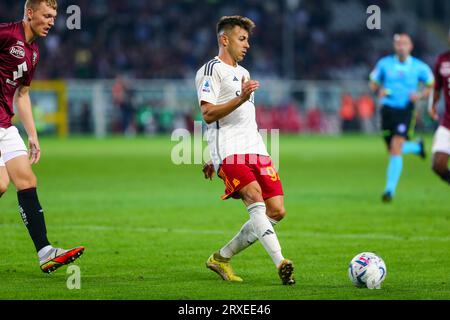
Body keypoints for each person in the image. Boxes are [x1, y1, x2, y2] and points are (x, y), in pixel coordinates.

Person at [195, 16, 295, 285]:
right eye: (242, 39)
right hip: (229, 151)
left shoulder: (244, 74)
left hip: (256, 148)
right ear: (224, 40)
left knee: (277, 210)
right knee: (254, 197)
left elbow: (243, 116)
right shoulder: (210, 70)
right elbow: (207, 113)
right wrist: (215, 156)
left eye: (248, 39)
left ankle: (221, 257)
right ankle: (281, 263)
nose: (247, 44)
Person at [0, 0, 84, 273]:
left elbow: (22, 94)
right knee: (2, 185)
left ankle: (46, 252)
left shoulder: (34, 52)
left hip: (6, 123)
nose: (51, 21)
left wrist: (33, 136)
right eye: (46, 16)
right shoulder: (6, 34)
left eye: (54, 17)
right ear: (29, 12)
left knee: (26, 181)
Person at [369, 33, 434, 202]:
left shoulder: (419, 67)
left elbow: (432, 85)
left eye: (404, 43)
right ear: (394, 46)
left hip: (405, 110)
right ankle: (416, 147)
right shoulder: (384, 64)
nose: (401, 47)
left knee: (396, 146)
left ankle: (389, 191)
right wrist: (378, 90)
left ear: (410, 46)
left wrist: (420, 95)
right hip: (387, 110)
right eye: (398, 44)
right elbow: (373, 81)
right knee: (392, 148)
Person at [429, 30, 450, 185]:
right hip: (447, 122)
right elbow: (437, 88)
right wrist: (433, 105)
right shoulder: (442, 60)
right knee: (438, 165)